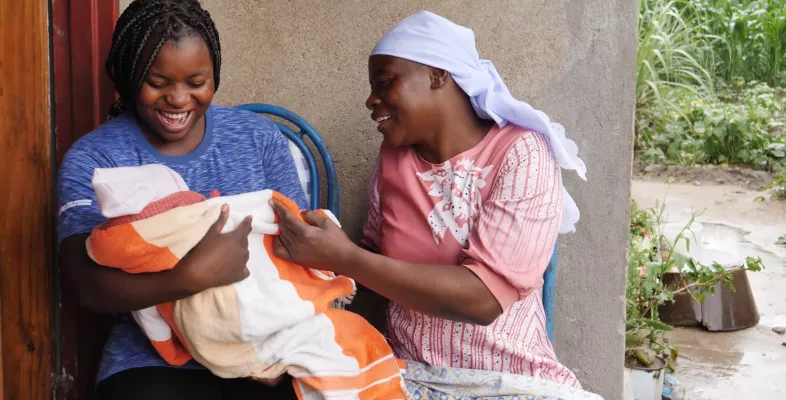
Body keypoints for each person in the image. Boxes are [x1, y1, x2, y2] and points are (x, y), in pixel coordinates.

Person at [270, 11, 602, 399]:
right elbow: (375, 270)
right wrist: (307, 267)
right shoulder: (395, 159)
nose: (371, 100)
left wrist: (342, 257)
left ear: (438, 75)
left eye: (385, 83)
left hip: (510, 381)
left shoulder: (521, 154)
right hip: (411, 378)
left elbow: (483, 299)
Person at [57, 0, 305, 398]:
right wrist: (187, 279)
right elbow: (87, 285)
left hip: (264, 339)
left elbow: (300, 251)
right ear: (128, 75)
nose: (178, 98)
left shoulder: (257, 139)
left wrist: (286, 347)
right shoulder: (97, 158)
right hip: (151, 357)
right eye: (158, 82)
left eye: (196, 81)